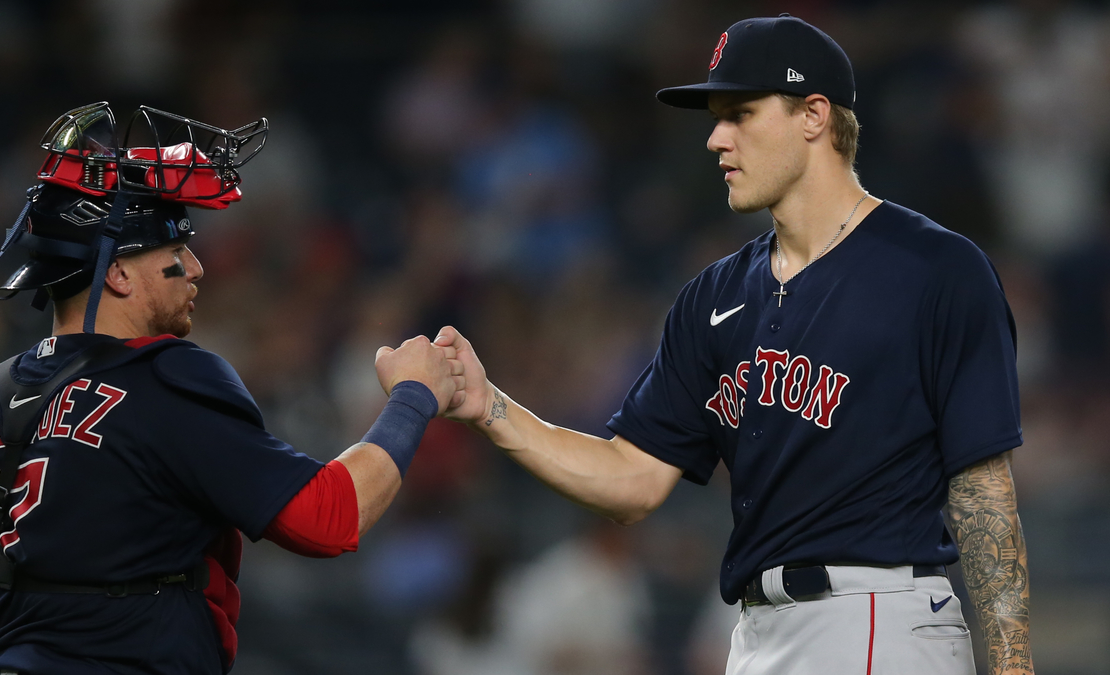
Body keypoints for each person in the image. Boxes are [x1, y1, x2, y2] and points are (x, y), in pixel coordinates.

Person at [436, 14, 1033, 675]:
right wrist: (490, 406)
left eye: (740, 112)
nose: (717, 138)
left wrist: (1011, 663)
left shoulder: (933, 269)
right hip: (753, 633)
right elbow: (632, 477)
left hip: (873, 618)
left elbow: (981, 487)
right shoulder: (711, 296)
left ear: (813, 115)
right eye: (715, 117)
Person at [0, 103, 463, 674]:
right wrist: (412, 396)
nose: (197, 267)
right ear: (118, 274)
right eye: (175, 251)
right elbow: (328, 518)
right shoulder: (166, 378)